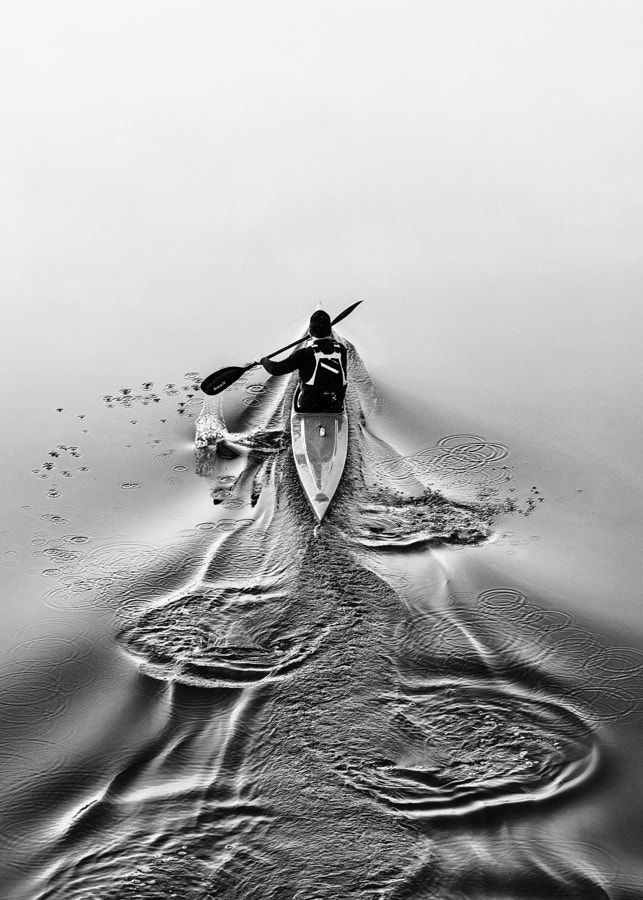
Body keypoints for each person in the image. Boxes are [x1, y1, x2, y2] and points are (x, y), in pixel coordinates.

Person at [259, 310, 348, 412]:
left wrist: (263, 360)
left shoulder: (304, 353)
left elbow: (275, 369)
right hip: (335, 405)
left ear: (310, 331)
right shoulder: (341, 349)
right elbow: (329, 345)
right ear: (330, 331)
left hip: (309, 406)